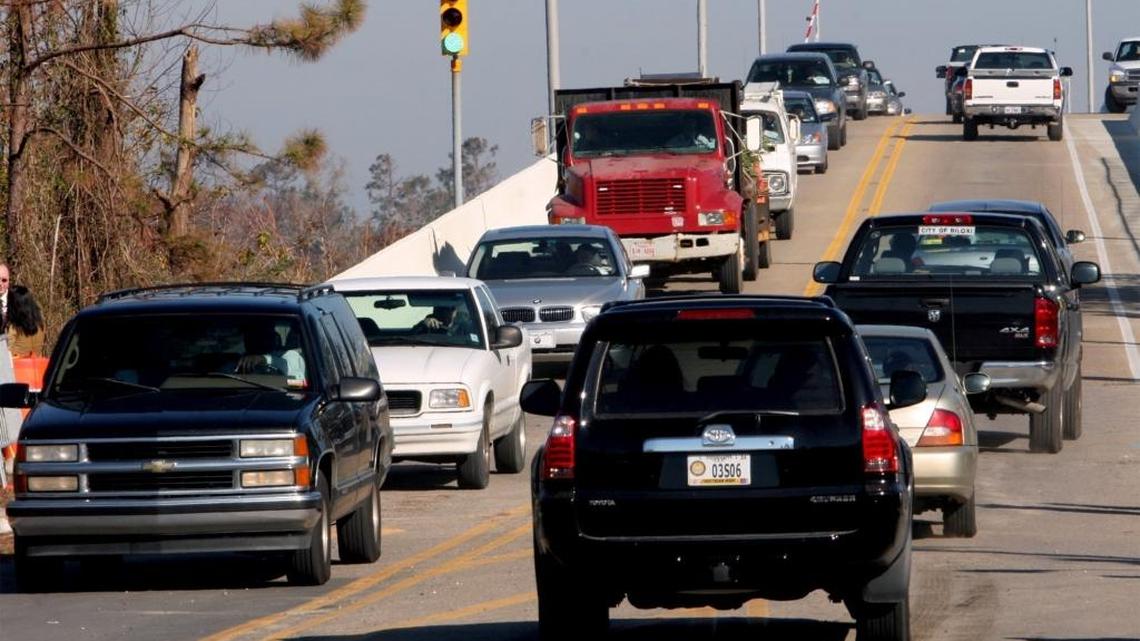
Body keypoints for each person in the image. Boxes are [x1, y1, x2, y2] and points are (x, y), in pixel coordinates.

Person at [5, 285, 45, 358]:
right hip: (38, 363)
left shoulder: (13, 327)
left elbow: (7, 353)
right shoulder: (40, 324)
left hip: (17, 364)